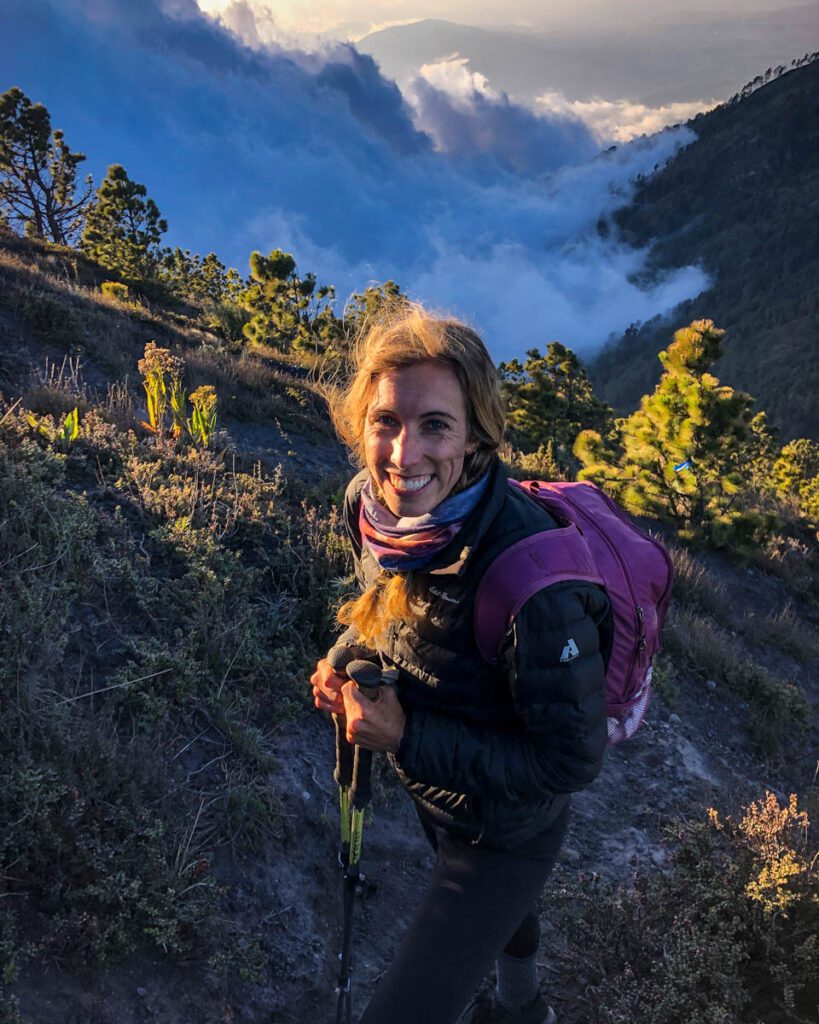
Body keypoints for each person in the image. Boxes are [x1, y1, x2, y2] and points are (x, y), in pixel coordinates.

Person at [310, 302, 612, 1024]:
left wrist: (405, 738)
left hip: (508, 829)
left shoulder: (533, 585)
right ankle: (522, 1007)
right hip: (436, 789)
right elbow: (391, 605)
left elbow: (568, 764)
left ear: (476, 437)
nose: (402, 455)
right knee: (502, 923)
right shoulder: (373, 509)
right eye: (385, 421)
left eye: (434, 426)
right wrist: (345, 654)